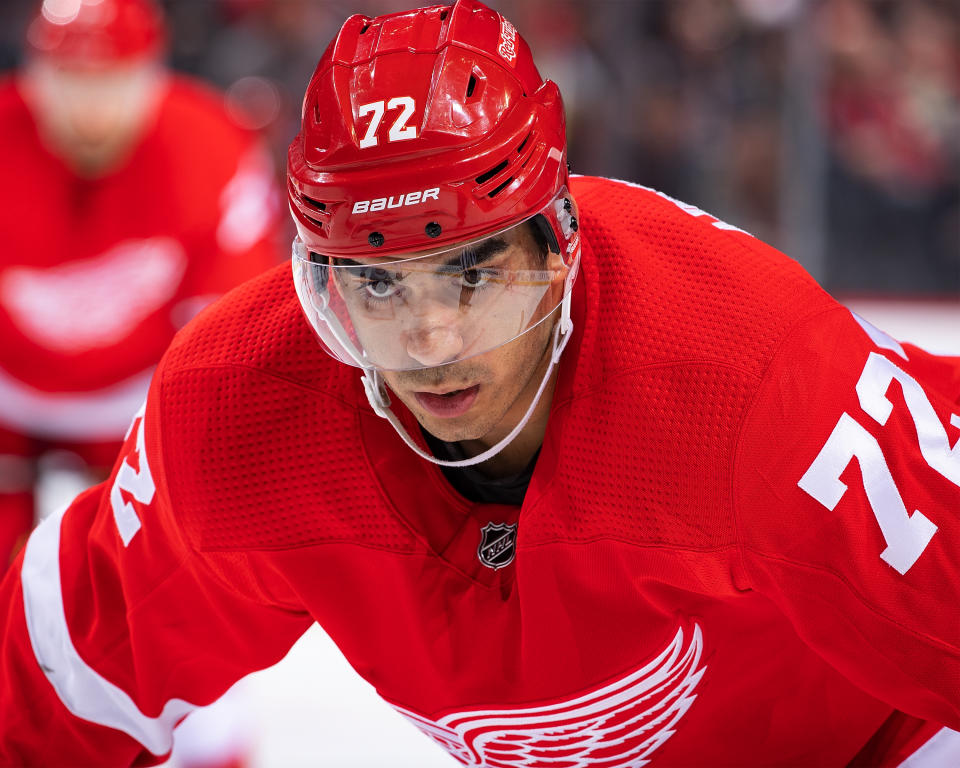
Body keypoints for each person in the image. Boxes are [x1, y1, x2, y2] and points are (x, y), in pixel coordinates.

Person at [2, 1, 959, 765]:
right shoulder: (240, 407)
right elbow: (56, 685)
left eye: (473, 274)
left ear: (561, 244)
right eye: (376, 283)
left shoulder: (743, 375)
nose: (429, 340)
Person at [0, 0, 281, 571]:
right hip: (8, 394)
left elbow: (234, 320)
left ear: (153, 72)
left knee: (141, 578)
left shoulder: (212, 144)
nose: (89, 111)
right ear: (31, 77)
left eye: (112, 81)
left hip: (138, 396)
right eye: (68, 80)